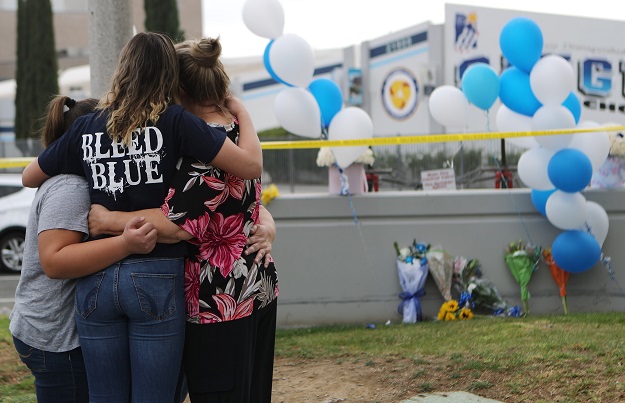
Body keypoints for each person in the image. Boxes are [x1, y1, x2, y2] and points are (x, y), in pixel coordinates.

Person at [21, 32, 263, 402]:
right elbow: (249, 166)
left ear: (122, 69)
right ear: (169, 75)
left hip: (96, 279)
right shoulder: (176, 120)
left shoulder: (88, 127)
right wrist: (241, 111)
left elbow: (29, 176)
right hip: (155, 275)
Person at [89, 36, 279, 402]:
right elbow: (246, 202)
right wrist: (267, 224)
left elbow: (174, 225)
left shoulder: (206, 148)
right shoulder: (239, 134)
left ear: (176, 87)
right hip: (256, 288)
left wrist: (107, 220)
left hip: (218, 301)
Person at [10, 96, 158, 403]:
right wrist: (124, 243)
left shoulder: (73, 181)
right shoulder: (70, 187)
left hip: (47, 331)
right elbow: (55, 262)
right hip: (54, 339)